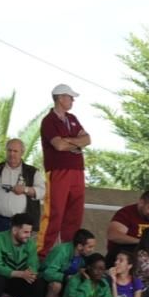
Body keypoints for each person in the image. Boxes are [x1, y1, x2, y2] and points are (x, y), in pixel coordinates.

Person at [37, 84, 90, 257]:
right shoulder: (49, 120)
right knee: (54, 213)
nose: (73, 100)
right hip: (58, 171)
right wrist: (76, 142)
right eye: (70, 97)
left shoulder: (72, 118)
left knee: (75, 214)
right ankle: (41, 254)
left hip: (77, 171)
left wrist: (68, 140)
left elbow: (88, 139)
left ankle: (69, 255)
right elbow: (58, 145)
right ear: (60, 98)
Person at [0, 138, 45, 235]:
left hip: (21, 222)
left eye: (15, 151)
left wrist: (25, 189)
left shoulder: (32, 171)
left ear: (22, 153)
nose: (12, 154)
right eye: (9, 150)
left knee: (18, 250)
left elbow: (43, 192)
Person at [0, 213, 44, 297]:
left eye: (30, 232)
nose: (29, 236)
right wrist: (20, 274)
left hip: (19, 279)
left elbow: (33, 264)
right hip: (2, 278)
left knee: (38, 283)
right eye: (25, 232)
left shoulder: (30, 243)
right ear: (14, 230)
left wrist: (30, 274)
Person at [105, 189, 149, 262]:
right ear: (141, 203)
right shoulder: (126, 213)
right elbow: (113, 235)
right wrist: (142, 242)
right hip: (126, 255)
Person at [40, 229, 95, 297]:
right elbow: (48, 273)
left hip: (66, 283)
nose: (92, 250)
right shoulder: (62, 251)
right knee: (56, 285)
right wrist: (67, 277)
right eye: (90, 247)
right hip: (44, 280)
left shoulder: (84, 257)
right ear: (80, 246)